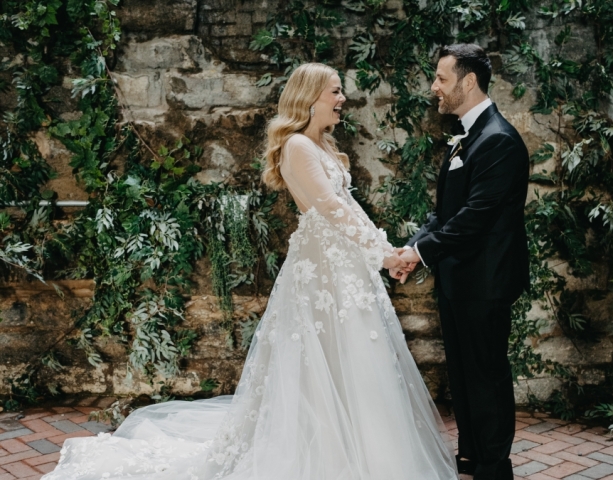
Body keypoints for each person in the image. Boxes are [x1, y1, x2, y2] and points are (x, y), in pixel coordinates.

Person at [43, 63, 458, 480]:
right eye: (335, 91)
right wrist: (384, 258)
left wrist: (385, 251)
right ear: (310, 97)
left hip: (347, 269)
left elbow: (349, 206)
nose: (342, 99)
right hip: (322, 274)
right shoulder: (297, 146)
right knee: (321, 366)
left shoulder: (326, 145)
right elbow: (330, 210)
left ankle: (360, 452)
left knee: (353, 363)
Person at [390, 44, 530, 480]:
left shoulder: (499, 140)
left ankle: (493, 465)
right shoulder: (468, 136)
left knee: (485, 374)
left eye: (441, 79)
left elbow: (476, 218)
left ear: (468, 82)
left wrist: (418, 253)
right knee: (464, 374)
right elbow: (446, 213)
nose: (435, 87)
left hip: (485, 282)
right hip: (458, 279)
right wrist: (414, 247)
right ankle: (471, 454)